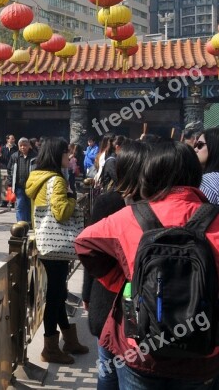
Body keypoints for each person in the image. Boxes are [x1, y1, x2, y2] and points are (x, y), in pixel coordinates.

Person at [77, 142, 219, 387]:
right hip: (203, 350)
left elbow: (84, 243)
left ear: (150, 173)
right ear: (196, 175)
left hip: (141, 349)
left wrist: (127, 277)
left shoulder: (130, 217)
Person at [81, 139, 149, 390]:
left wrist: (87, 293)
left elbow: (91, 254)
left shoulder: (108, 202)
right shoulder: (156, 204)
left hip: (107, 297)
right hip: (140, 304)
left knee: (107, 371)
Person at [25, 137, 87, 364]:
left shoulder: (37, 178)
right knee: (54, 296)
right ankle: (50, 347)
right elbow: (61, 213)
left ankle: (69, 340)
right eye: (66, 153)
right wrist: (73, 199)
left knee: (57, 293)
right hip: (57, 244)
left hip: (45, 243)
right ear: (56, 155)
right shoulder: (57, 181)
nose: (69, 158)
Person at [195, 127, 219, 205]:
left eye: (200, 145)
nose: (195, 149)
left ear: (215, 147)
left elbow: (199, 216)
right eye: (195, 145)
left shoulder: (206, 182)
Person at [8, 138, 36, 223]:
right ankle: (21, 223)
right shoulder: (14, 156)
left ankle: (29, 222)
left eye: (25, 145)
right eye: (21, 145)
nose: (23, 147)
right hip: (19, 185)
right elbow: (9, 169)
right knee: (20, 205)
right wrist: (10, 181)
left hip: (31, 186)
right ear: (19, 146)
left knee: (29, 204)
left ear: (29, 146)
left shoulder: (35, 156)